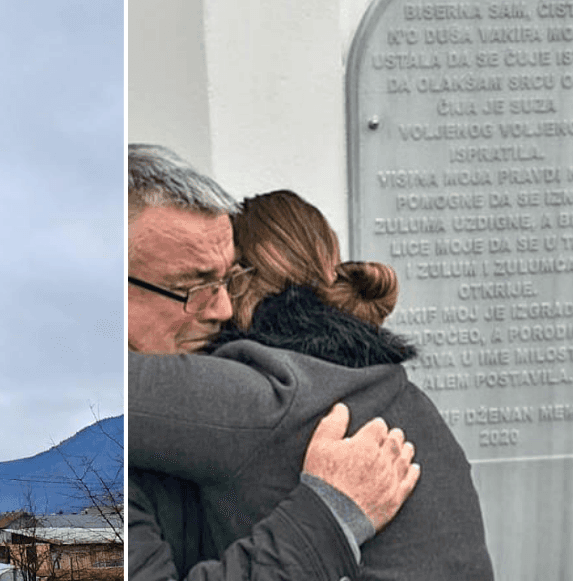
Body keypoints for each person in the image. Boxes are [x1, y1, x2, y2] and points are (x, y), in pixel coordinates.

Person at [131, 184, 494, 580]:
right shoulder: (393, 390)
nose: (219, 307)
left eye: (218, 284)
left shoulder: (272, 393)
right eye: (196, 287)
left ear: (242, 283)